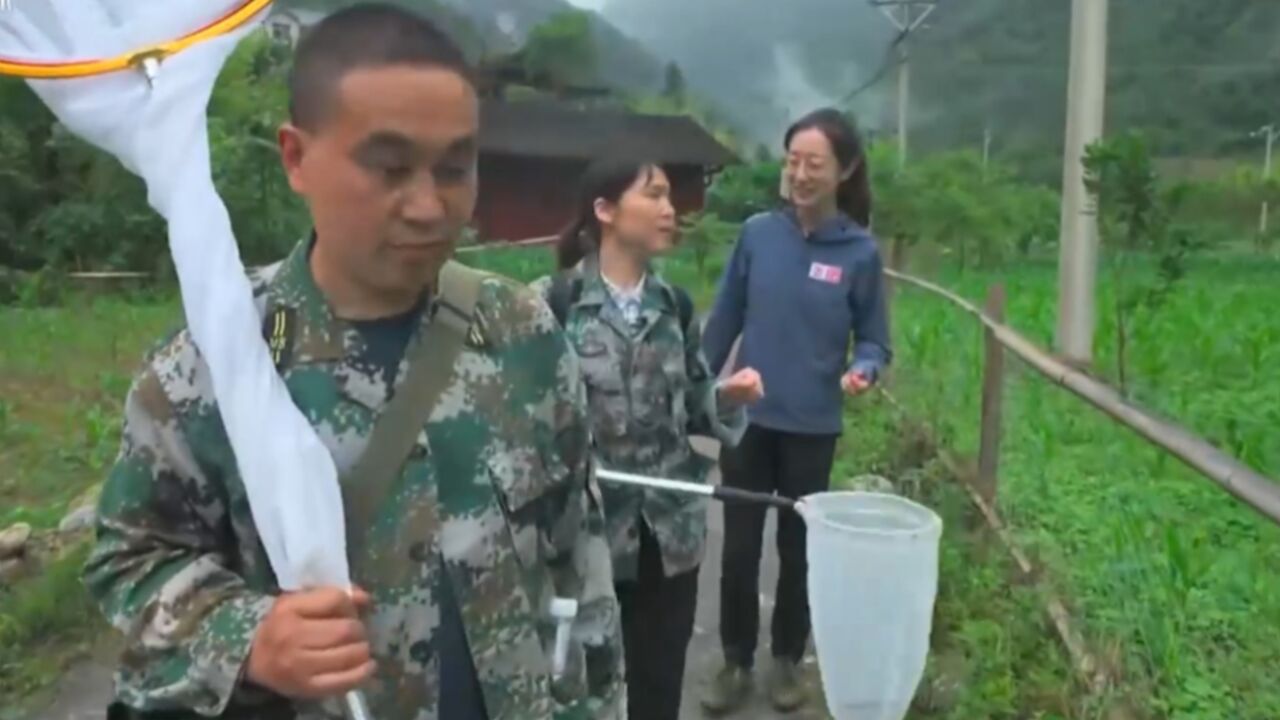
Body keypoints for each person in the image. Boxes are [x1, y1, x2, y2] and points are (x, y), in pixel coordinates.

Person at [85, 5, 623, 720]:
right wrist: (249, 638)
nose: (431, 206)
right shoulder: (215, 366)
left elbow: (578, 557)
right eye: (391, 167)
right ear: (296, 157)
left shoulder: (522, 333)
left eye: (456, 168)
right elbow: (129, 560)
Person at [532, 156, 764, 720]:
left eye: (669, 196)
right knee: (582, 690)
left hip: (670, 537)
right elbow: (523, 424)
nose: (669, 209)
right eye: (654, 195)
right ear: (605, 211)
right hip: (585, 540)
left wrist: (726, 398)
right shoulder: (549, 304)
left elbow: (694, 407)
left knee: (658, 687)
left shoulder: (675, 306)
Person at [699, 108, 892, 714]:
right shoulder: (758, 234)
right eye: (792, 161)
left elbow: (875, 338)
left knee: (799, 549)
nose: (800, 174)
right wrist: (694, 385)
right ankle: (734, 663)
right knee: (737, 549)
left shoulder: (859, 252)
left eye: (814, 164)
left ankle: (786, 662)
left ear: (845, 171)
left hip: (813, 427)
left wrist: (864, 368)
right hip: (748, 421)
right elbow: (722, 320)